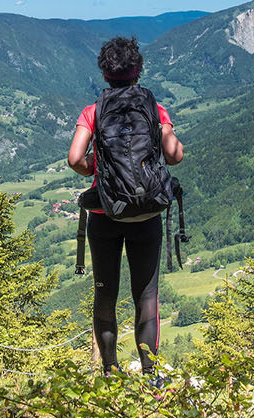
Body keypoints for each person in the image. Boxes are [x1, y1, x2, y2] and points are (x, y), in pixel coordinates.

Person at [67, 36, 184, 374]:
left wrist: (96, 168)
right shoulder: (154, 108)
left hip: (105, 215)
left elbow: (75, 158)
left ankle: (110, 373)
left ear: (105, 74)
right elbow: (174, 155)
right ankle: (151, 377)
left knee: (105, 294)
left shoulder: (93, 112)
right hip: (146, 214)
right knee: (146, 296)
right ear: (138, 71)